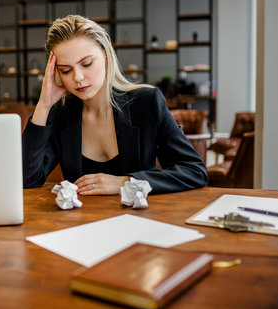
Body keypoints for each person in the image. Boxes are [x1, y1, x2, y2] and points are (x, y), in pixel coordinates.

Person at [22, 15, 207, 195]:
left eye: (86, 64)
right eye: (66, 70)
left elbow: (194, 171)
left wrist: (126, 182)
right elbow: (27, 180)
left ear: (105, 56)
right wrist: (43, 105)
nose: (77, 78)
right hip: (82, 223)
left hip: (139, 221)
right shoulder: (61, 113)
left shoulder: (146, 102)